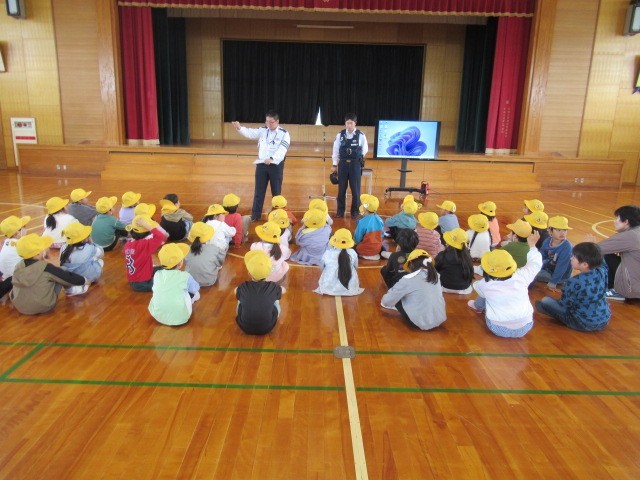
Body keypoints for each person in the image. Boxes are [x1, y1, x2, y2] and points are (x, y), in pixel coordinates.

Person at [468, 231, 542, 338]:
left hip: (498, 328)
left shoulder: (484, 284)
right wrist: (532, 246)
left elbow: (478, 288)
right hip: (525, 326)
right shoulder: (522, 276)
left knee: (485, 297)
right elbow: (535, 263)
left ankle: (477, 307)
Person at [535, 242, 610, 331]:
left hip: (581, 323)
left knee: (546, 301)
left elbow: (565, 305)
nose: (571, 258)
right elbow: (602, 260)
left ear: (585, 264)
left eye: (574, 257)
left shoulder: (574, 281)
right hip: (604, 320)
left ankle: (548, 309)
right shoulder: (602, 271)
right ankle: (547, 308)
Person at [232, 110, 291, 222]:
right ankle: (255, 215)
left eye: (271, 122)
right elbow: (250, 133)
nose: (269, 124)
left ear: (277, 121)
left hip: (275, 166)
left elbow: (282, 150)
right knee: (258, 192)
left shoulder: (284, 133)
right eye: (267, 121)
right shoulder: (263, 130)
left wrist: (272, 158)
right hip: (261, 165)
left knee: (276, 193)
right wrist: (239, 128)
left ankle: (277, 216)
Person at [10, 233, 89, 315]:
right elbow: (67, 277)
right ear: (38, 253)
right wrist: (84, 280)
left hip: (20, 307)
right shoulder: (46, 268)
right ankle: (70, 291)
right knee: (61, 271)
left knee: (52, 275)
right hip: (44, 306)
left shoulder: (18, 266)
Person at [381, 249, 446, 330]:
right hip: (439, 319)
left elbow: (386, 302)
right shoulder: (436, 276)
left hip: (417, 322)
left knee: (398, 296)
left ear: (411, 263)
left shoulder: (408, 279)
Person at [590, 205, 640, 301]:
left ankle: (619, 291)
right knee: (609, 256)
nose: (615, 221)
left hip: (633, 290)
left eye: (617, 218)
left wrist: (590, 243)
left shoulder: (629, 236)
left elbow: (594, 249)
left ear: (626, 222)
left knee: (598, 255)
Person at [148, 243, 200, 326]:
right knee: (195, 294)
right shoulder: (185, 276)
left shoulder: (157, 274)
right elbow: (195, 288)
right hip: (181, 317)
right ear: (180, 264)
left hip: (157, 315)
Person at [236, 250, 285, 335]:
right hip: (267, 328)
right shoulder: (273, 287)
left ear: (249, 273)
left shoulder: (243, 286)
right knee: (276, 299)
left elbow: (236, 290)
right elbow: (283, 290)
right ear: (269, 273)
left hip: (245, 327)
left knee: (240, 298)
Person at [330, 113, 369, 218]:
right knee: (341, 190)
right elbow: (335, 150)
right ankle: (340, 211)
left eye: (351, 123)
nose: (349, 125)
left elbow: (365, 149)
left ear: (355, 123)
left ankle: (355, 212)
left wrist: (359, 156)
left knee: (355, 190)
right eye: (347, 123)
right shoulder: (340, 135)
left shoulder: (361, 135)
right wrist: (334, 164)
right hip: (343, 164)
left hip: (355, 165)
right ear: (345, 123)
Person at [123, 215, 169, 292]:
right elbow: (161, 236)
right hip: (142, 283)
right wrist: (146, 225)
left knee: (164, 268)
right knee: (167, 281)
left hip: (134, 278)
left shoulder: (128, 244)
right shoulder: (144, 244)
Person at [314, 228, 363, 296]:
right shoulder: (353, 252)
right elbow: (356, 267)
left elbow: (321, 268)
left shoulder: (328, 253)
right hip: (350, 287)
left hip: (329, 287)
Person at [535, 216, 573, 291]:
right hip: (548, 268)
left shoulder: (567, 248)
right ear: (550, 231)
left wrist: (552, 283)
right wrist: (537, 265)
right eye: (558, 230)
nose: (562, 233)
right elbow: (542, 256)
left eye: (565, 230)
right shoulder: (547, 241)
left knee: (531, 274)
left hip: (559, 276)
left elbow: (561, 267)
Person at [434, 227, 474, 294]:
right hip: (464, 289)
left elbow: (435, 270)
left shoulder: (442, 255)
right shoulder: (468, 257)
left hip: (445, 286)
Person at [184, 222, 225, 287]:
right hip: (208, 281)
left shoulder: (186, 249)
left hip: (190, 280)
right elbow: (220, 264)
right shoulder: (214, 249)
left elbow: (187, 262)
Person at [0, 215, 31, 299]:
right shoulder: (20, 244)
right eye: (24, 227)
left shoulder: (6, 242)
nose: (26, 229)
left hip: (5, 278)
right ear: (17, 232)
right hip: (15, 279)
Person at [354, 194, 384, 260]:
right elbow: (382, 236)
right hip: (377, 250)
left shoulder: (362, 222)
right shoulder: (380, 220)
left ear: (365, 208)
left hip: (364, 250)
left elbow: (357, 239)